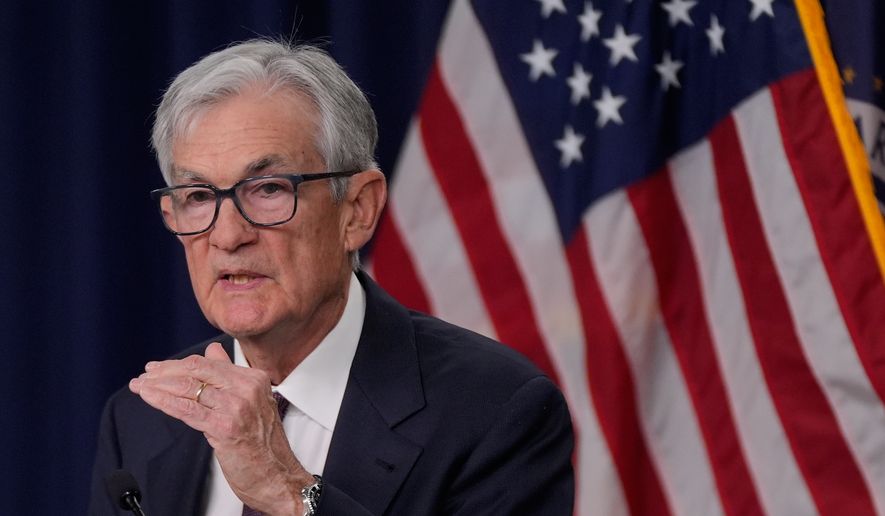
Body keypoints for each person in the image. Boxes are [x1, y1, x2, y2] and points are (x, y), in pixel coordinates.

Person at [89, 39, 574, 515]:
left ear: (358, 211)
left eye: (269, 189)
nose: (228, 235)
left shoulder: (495, 411)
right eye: (198, 196)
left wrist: (288, 492)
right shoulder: (140, 420)